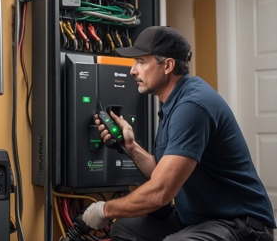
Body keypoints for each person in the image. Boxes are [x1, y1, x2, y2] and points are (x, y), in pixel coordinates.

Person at [82, 26, 276, 241]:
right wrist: (131, 146)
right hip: (200, 218)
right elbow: (163, 172)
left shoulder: (192, 106)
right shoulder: (173, 103)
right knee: (126, 230)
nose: (133, 70)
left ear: (167, 66)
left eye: (141, 62)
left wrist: (104, 210)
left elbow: (160, 192)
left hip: (239, 224)